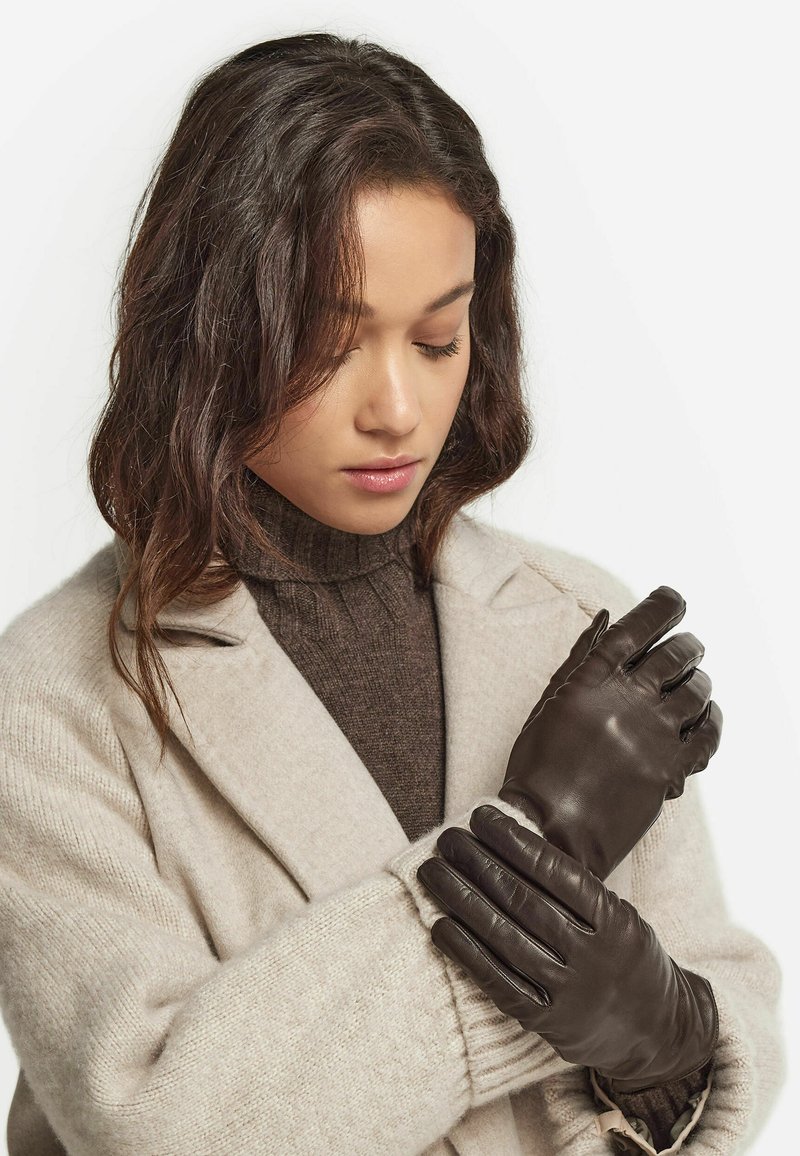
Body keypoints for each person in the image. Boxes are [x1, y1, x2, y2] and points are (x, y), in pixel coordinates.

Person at [0, 31, 784, 1156]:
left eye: (437, 338)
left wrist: (667, 1046)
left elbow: (716, 1003)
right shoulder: (54, 700)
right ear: (209, 328)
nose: (399, 411)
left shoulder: (570, 623)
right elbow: (157, 1126)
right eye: (328, 343)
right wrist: (536, 846)